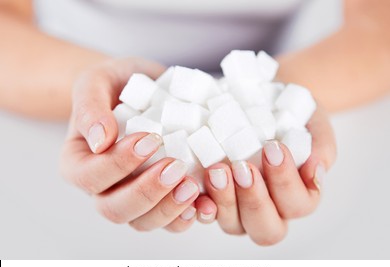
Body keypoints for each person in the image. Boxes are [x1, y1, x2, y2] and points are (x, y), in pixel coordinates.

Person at [0, 0, 388, 246]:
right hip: (50, 77)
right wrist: (88, 88)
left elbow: (377, 19)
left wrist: (284, 93)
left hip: (279, 66)